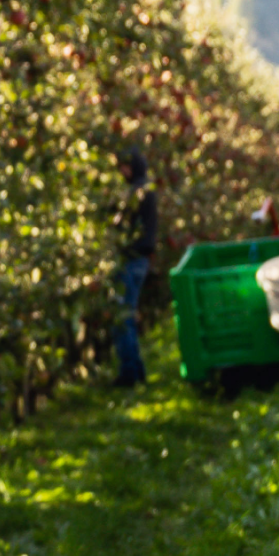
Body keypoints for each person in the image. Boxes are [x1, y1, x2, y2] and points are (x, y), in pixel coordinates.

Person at [111, 149, 158, 386]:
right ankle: (137, 370)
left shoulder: (135, 192)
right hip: (142, 259)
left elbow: (120, 222)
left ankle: (129, 374)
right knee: (128, 313)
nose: (121, 172)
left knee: (123, 316)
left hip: (131, 258)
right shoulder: (147, 188)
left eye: (123, 167)